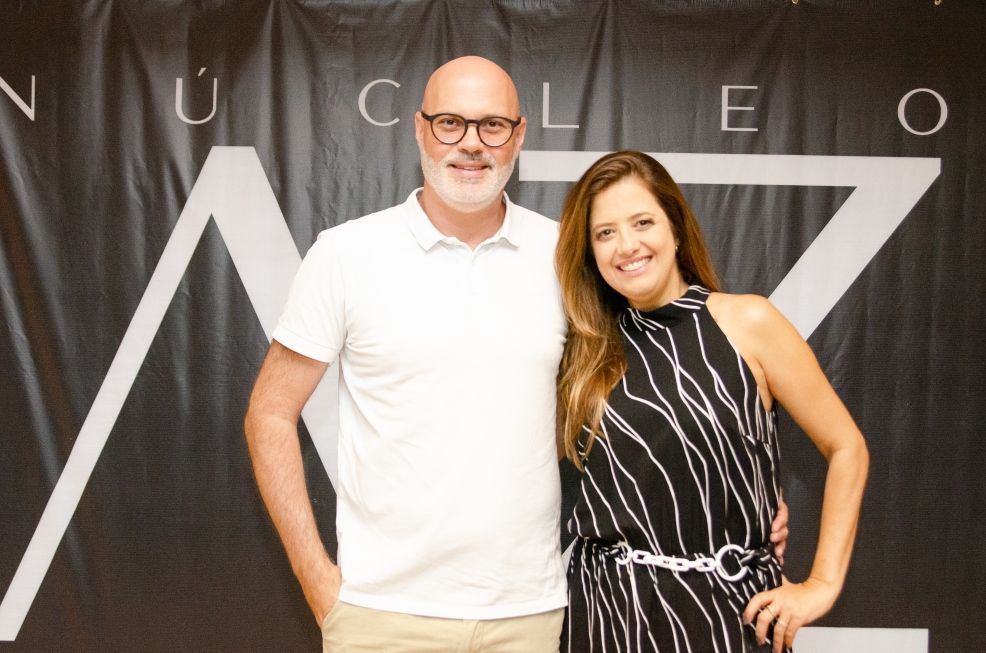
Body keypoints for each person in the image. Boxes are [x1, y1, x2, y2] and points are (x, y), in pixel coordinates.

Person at [245, 57, 789, 652]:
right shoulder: (346, 254)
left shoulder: (568, 256)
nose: (471, 143)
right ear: (420, 129)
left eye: (492, 125)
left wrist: (740, 488)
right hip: (382, 615)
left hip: (533, 617)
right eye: (450, 123)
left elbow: (656, 383)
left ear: (519, 135)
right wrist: (317, 579)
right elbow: (270, 413)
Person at [554, 150, 868, 653]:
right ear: (590, 253)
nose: (627, 245)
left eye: (642, 222)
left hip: (732, 613)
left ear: (676, 230)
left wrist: (822, 583)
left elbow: (846, 446)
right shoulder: (583, 351)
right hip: (605, 613)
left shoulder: (748, 322)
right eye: (605, 232)